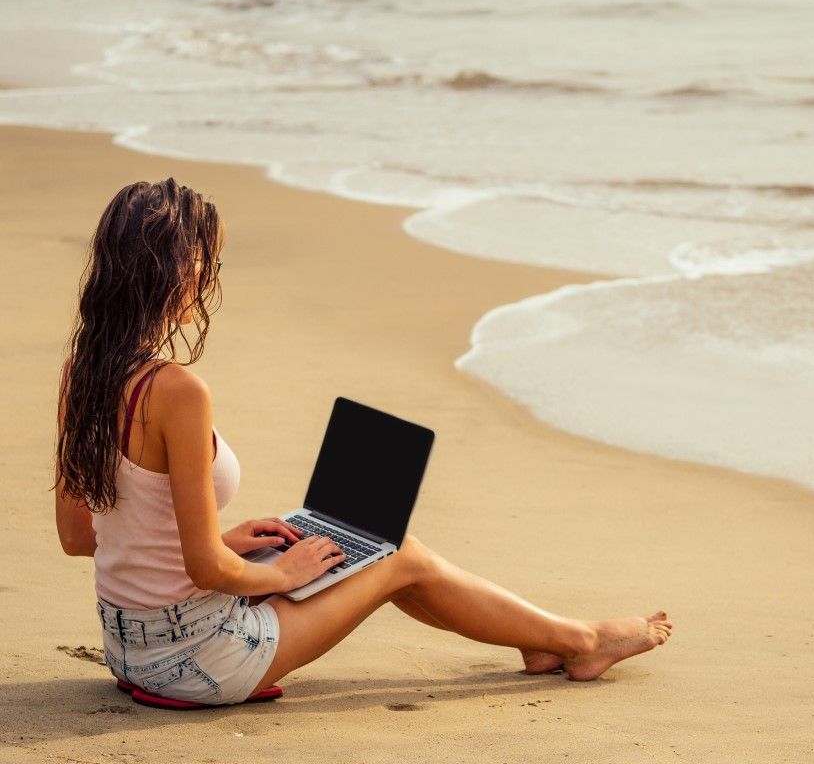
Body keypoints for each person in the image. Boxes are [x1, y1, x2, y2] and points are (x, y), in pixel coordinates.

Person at [53, 178, 672, 707]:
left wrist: (231, 544)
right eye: (203, 260)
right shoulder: (179, 392)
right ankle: (584, 643)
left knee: (380, 552)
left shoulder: (83, 371)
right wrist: (277, 573)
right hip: (202, 659)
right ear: (174, 271)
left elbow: (81, 537)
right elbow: (203, 569)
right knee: (395, 551)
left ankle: (546, 641)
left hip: (129, 649)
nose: (207, 275)